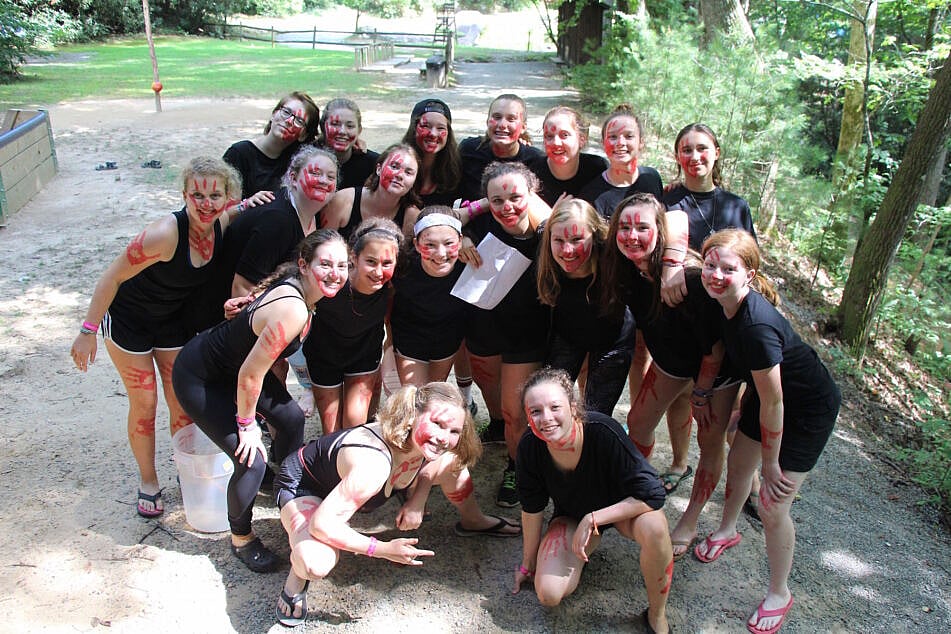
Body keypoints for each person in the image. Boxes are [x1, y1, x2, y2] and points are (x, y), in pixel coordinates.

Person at [71, 157, 243, 518]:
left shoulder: (223, 222)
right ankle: (148, 481)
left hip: (170, 322)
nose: (206, 204)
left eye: (215, 195)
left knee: (181, 402)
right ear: (184, 194)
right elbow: (112, 277)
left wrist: (254, 201)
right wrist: (87, 331)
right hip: (129, 322)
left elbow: (245, 208)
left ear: (227, 197)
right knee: (145, 403)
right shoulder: (166, 233)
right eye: (197, 194)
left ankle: (185, 469)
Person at [172, 230, 350, 572]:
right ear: (304, 265)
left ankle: (286, 486)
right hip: (202, 377)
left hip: (235, 370)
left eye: (342, 265)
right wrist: (246, 424)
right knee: (251, 459)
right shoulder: (293, 309)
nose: (335, 273)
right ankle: (241, 538)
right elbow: (250, 378)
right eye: (325, 264)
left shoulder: (297, 287)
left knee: (293, 420)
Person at [273, 382, 519, 627]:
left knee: (454, 465)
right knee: (315, 563)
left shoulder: (419, 438)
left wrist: (418, 498)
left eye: (454, 431)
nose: (444, 437)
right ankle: (296, 578)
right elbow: (322, 525)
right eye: (438, 424)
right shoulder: (373, 465)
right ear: (413, 416)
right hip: (305, 487)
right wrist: (382, 549)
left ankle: (473, 520)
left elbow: (443, 461)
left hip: (354, 490)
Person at [696, 229, 840, 634]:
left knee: (773, 505)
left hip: (807, 408)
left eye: (729, 268)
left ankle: (780, 592)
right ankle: (726, 530)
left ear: (750, 274)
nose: (717, 274)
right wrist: (743, 411)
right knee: (739, 463)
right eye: (711, 265)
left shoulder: (756, 326)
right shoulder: (723, 305)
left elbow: (775, 401)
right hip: (770, 396)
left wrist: (773, 464)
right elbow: (759, 387)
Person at [602, 193, 741, 560]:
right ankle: (637, 487)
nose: (632, 235)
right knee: (639, 421)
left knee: (711, 442)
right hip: (670, 362)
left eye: (643, 227)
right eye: (625, 227)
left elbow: (715, 349)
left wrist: (703, 391)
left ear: (659, 231)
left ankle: (691, 519)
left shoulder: (690, 279)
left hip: (716, 372)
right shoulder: (625, 267)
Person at [513, 368, 672, 634]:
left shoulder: (602, 430)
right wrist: (527, 565)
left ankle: (657, 613)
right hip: (572, 516)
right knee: (549, 595)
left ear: (573, 408)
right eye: (536, 411)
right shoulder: (530, 447)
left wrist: (595, 517)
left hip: (622, 511)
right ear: (528, 416)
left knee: (655, 527)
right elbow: (532, 509)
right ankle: (583, 549)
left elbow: (654, 494)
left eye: (555, 407)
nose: (546, 418)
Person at [659, 122, 758, 509]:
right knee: (680, 397)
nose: (694, 156)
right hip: (682, 318)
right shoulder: (667, 201)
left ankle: (746, 486)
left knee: (723, 413)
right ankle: (680, 463)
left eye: (702, 148)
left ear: (716, 152)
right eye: (685, 149)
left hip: (728, 320)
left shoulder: (737, 206)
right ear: (677, 155)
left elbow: (751, 261)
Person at [463, 161, 552, 507]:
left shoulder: (548, 231)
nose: (507, 207)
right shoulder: (481, 220)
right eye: (496, 200)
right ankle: (498, 425)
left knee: (517, 411)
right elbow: (447, 219)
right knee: (492, 392)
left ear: (533, 195)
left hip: (526, 332)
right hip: (482, 320)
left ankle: (518, 467)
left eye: (516, 197)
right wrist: (463, 236)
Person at [302, 218, 402, 434]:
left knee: (354, 424)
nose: (378, 272)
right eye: (371, 261)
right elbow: (290, 280)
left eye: (386, 263)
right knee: (332, 431)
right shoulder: (332, 279)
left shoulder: (392, 285)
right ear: (354, 258)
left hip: (364, 356)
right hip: (323, 357)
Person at [536, 197, 634, 415]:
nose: (568, 250)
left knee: (595, 414)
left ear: (595, 234)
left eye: (577, 239)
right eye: (559, 240)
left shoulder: (614, 254)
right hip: (568, 334)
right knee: (549, 401)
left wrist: (672, 264)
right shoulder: (544, 240)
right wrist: (466, 236)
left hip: (613, 339)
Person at [390, 207, 469, 386]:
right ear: (417, 244)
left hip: (448, 337)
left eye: (449, 243)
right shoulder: (403, 267)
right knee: (415, 397)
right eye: (430, 245)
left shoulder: (469, 263)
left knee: (432, 393)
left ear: (461, 241)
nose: (441, 254)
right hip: (410, 336)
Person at [223, 91, 319, 205]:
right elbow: (221, 211)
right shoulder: (239, 154)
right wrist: (246, 204)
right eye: (286, 112)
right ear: (274, 114)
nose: (289, 121)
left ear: (304, 135)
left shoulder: (298, 161)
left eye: (299, 121)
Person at [320, 143, 422, 239]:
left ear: (414, 180)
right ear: (378, 169)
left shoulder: (412, 217)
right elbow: (320, 246)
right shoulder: (342, 201)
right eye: (394, 166)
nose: (400, 175)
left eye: (408, 172)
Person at [576, 104, 663, 216]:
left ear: (641, 142)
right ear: (603, 143)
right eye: (613, 137)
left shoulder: (652, 178)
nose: (620, 143)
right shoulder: (591, 195)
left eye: (629, 136)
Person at [457, 94, 543, 202]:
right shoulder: (469, 150)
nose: (502, 124)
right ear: (487, 122)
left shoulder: (536, 160)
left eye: (511, 119)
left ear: (523, 127)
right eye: (497, 117)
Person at [525, 106, 608, 206]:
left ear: (582, 139)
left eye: (564, 135)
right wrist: (555, 215)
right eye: (549, 136)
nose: (556, 143)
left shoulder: (598, 168)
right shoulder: (532, 174)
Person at [401, 98, 462, 207]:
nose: (433, 134)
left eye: (440, 128)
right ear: (414, 128)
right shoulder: (397, 164)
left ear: (448, 133)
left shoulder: (455, 169)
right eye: (426, 126)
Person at [316, 98, 379, 191]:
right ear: (322, 127)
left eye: (350, 126)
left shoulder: (374, 164)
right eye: (335, 124)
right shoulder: (306, 159)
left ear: (359, 130)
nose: (342, 131)